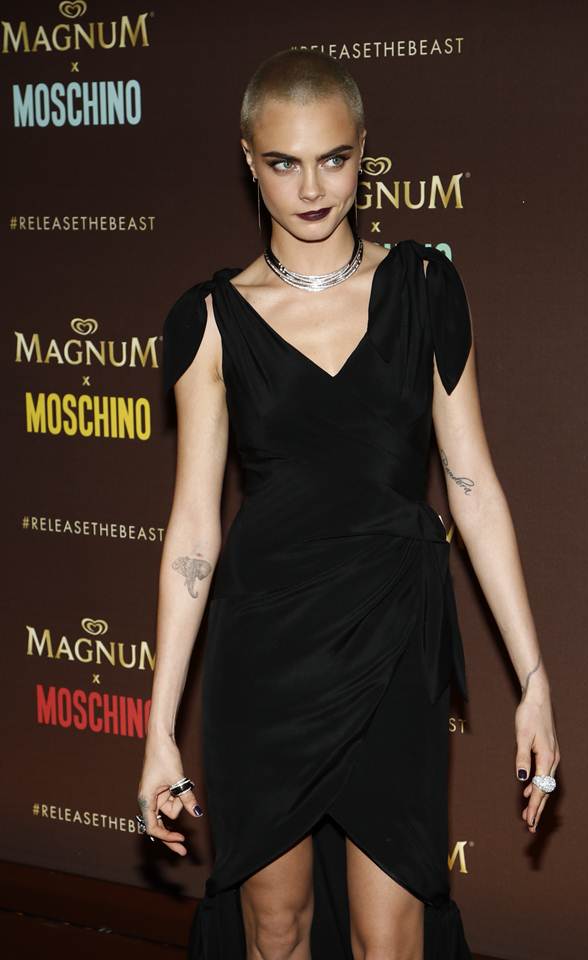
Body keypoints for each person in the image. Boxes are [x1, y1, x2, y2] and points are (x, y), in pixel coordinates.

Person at [137, 47, 560, 960]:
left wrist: (533, 679)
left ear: (364, 151)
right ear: (248, 160)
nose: (310, 188)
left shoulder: (425, 288)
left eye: (333, 158)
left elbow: (474, 487)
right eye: (283, 162)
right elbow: (195, 529)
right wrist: (158, 729)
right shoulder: (209, 319)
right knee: (275, 929)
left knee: (390, 937)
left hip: (393, 639)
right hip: (265, 649)